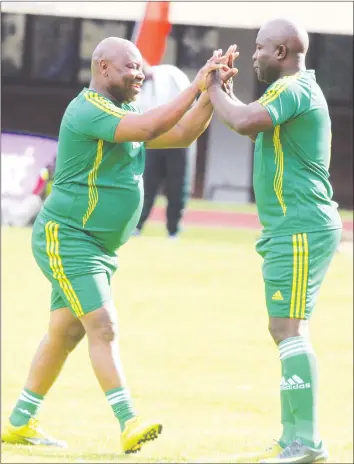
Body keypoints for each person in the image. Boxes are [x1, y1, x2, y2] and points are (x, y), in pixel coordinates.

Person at [2, 37, 235, 454]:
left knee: (65, 333)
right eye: (131, 67)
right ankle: (129, 421)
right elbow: (151, 128)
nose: (140, 74)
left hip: (96, 247)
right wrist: (196, 87)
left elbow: (179, 134)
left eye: (142, 67)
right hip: (68, 238)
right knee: (102, 325)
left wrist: (214, 92)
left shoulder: (123, 111)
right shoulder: (88, 109)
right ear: (104, 68)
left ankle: (19, 421)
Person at [206, 19, 342, 464]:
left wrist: (211, 87)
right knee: (284, 328)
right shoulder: (289, 91)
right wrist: (222, 91)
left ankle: (307, 442)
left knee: (288, 329)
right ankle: (292, 439)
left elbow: (244, 122)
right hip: (292, 227)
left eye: (260, 48)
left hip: (301, 226)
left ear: (282, 52)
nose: (255, 55)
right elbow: (248, 114)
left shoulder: (293, 89)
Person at [134, 61, 195, 238]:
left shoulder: (171, 73)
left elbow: (189, 100)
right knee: (147, 183)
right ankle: (137, 225)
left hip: (178, 139)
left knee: (177, 184)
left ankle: (173, 228)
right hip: (153, 140)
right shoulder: (139, 87)